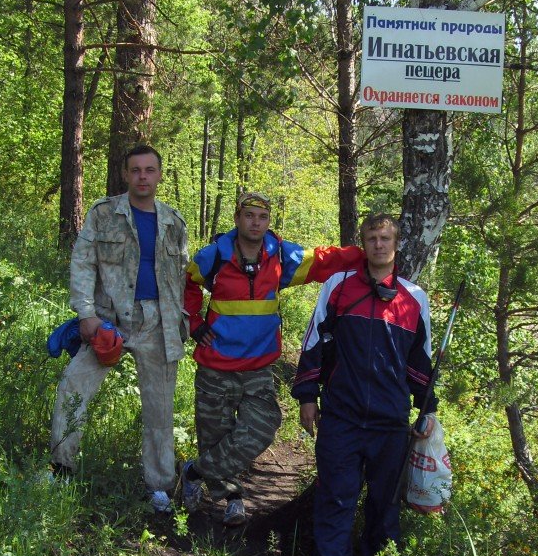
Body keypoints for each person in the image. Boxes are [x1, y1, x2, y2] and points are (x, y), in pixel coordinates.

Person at [182, 192, 365, 526]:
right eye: (249, 215)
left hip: (258, 366)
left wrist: (366, 254)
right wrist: (194, 323)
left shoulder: (280, 255)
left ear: (268, 222)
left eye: (262, 217)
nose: (255, 223)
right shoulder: (215, 255)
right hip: (215, 365)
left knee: (263, 427)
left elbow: (321, 261)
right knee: (216, 436)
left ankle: (194, 471)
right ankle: (232, 498)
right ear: (237, 218)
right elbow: (186, 283)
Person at [290, 211, 437, 556]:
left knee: (384, 506)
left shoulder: (414, 298)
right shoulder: (338, 286)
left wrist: (427, 409)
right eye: (372, 238)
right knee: (335, 498)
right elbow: (314, 342)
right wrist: (307, 396)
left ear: (397, 244)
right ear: (363, 244)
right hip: (341, 416)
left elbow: (420, 361)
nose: (378, 245)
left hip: (391, 423)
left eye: (385, 238)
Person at [50, 144, 188, 514]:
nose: (143, 176)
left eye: (149, 170)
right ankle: (61, 469)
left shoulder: (174, 222)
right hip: (108, 321)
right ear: (125, 174)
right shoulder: (104, 213)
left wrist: (181, 319)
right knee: (73, 387)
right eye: (136, 170)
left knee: (159, 409)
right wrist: (86, 314)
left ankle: (159, 487)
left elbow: (180, 277)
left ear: (159, 175)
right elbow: (83, 262)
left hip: (158, 323)